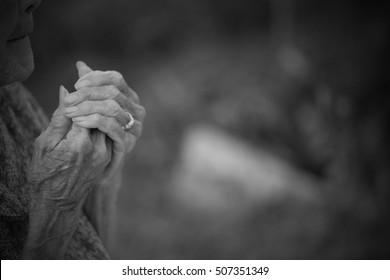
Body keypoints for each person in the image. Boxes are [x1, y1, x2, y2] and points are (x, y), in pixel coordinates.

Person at [0, 0, 145, 259]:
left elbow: (95, 253)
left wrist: (98, 182)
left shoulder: (11, 97)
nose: (33, 2)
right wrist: (57, 208)